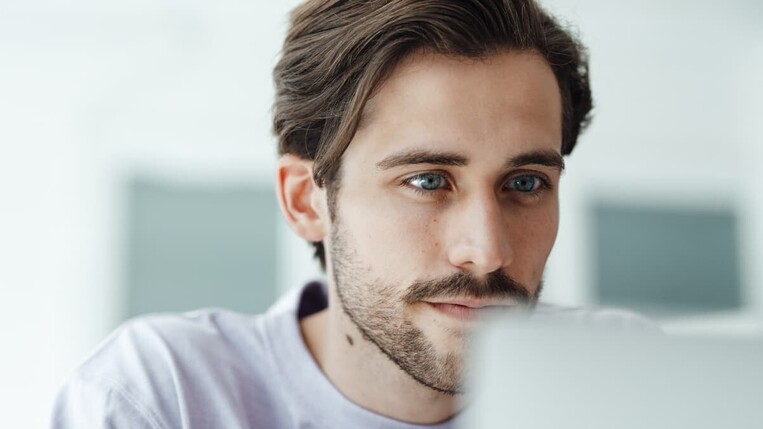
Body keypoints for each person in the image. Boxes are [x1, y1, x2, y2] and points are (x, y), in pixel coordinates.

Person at [52, 0, 654, 427]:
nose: (487, 250)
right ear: (306, 200)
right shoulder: (163, 398)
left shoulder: (628, 381)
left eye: (525, 182)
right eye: (427, 180)